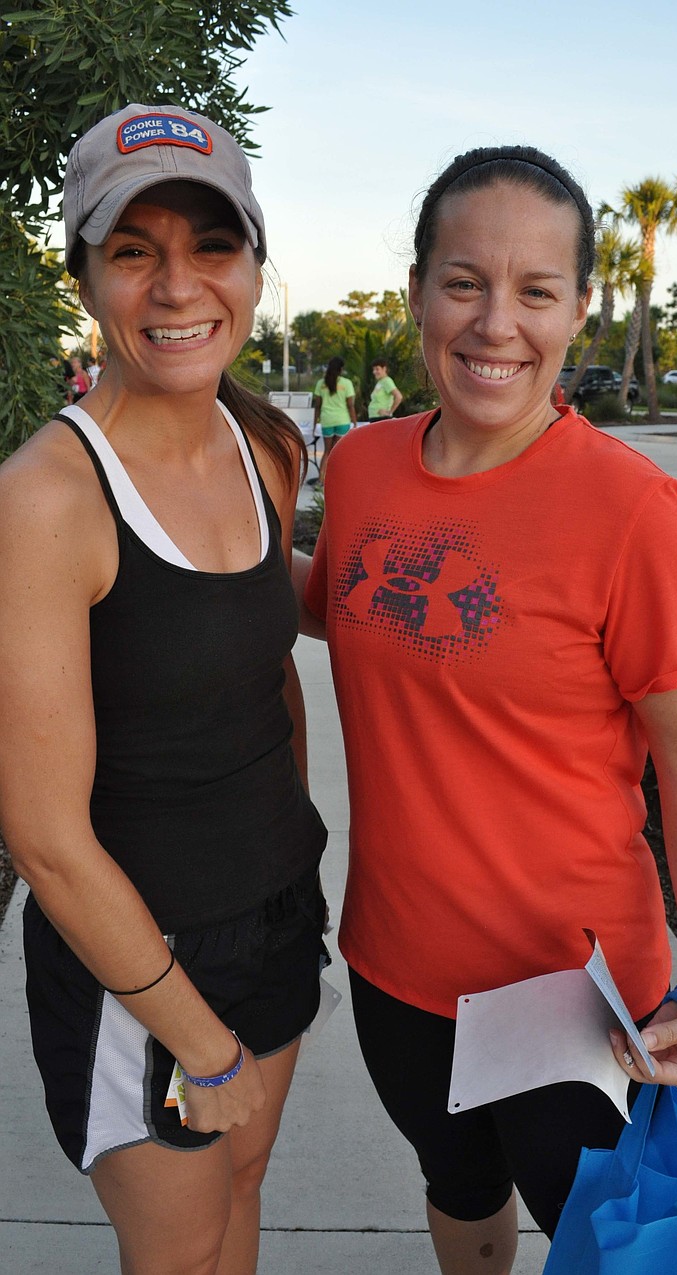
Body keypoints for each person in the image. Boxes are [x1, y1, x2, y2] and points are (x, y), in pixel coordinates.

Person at [301, 144, 677, 1272]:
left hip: (572, 1004)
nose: (495, 322)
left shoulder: (634, 513)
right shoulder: (360, 467)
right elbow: (333, 603)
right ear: (417, 292)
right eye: (464, 282)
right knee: (455, 1185)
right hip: (394, 967)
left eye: (535, 291)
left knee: (607, 1243)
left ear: (579, 310)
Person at [0, 103, 328, 1275]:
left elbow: (269, 665)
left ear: (253, 265)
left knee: (242, 1188)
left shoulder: (265, 447)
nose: (179, 286)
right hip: (141, 963)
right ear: (86, 278)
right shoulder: (47, 498)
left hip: (278, 912)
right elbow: (44, 840)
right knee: (177, 1253)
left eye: (213, 245)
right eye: (134, 250)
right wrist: (201, 1038)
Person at [313, 354, 357, 486]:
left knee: (327, 451)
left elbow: (317, 406)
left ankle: (321, 479)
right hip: (342, 421)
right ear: (341, 369)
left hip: (326, 421)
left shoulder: (321, 383)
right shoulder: (346, 383)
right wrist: (354, 422)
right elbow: (350, 405)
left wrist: (315, 423)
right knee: (338, 452)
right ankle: (338, 481)